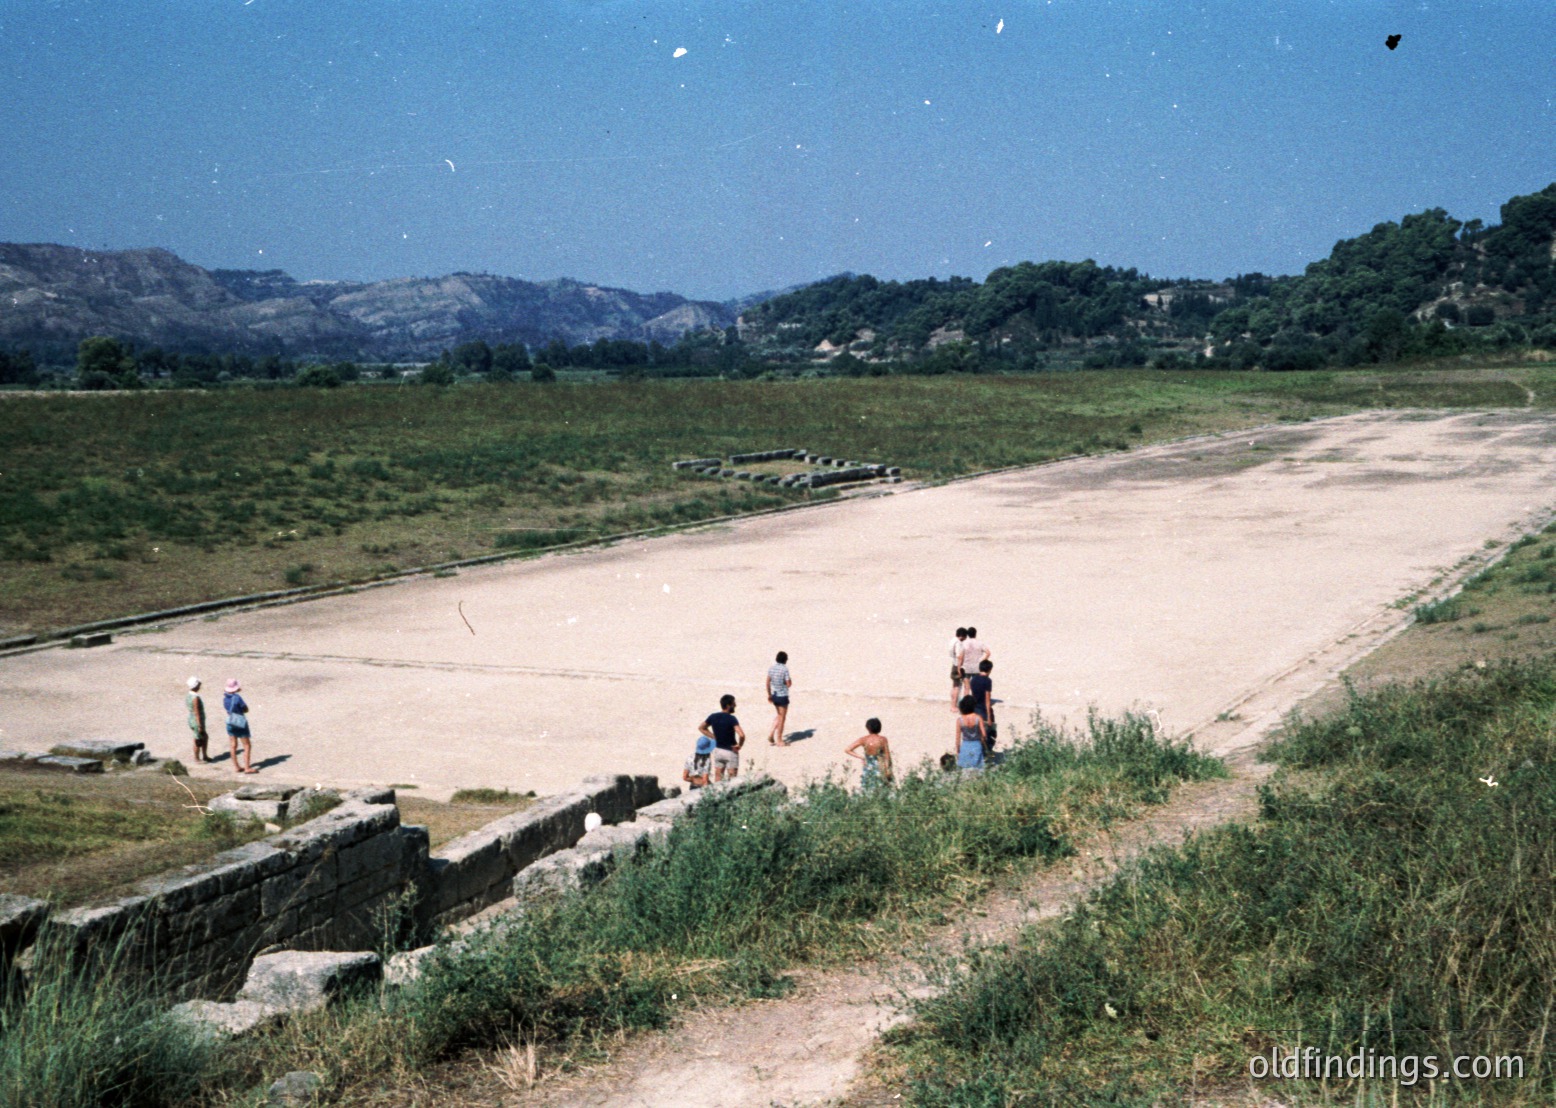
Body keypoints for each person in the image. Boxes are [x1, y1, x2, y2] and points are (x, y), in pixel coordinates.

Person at [698, 694, 746, 782]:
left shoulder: (713, 716)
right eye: (733, 704)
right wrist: (740, 745)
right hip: (731, 751)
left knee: (718, 778)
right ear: (728, 705)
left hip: (718, 750)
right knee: (733, 780)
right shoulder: (732, 719)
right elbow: (742, 735)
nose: (735, 705)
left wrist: (714, 736)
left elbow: (701, 728)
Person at [844, 717, 894, 789]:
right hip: (880, 765)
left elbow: (847, 749)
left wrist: (861, 757)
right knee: (882, 788)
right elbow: (887, 756)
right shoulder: (882, 739)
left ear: (868, 728)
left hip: (868, 765)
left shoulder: (864, 739)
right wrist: (888, 770)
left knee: (868, 787)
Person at [223, 678, 257, 774]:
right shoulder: (237, 698)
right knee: (246, 745)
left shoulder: (225, 698)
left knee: (233, 745)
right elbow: (245, 709)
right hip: (240, 722)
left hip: (230, 721)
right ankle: (247, 767)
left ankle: (237, 766)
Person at [953, 694, 988, 771]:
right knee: (978, 769)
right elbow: (984, 734)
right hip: (976, 744)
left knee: (964, 769)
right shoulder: (978, 718)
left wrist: (958, 749)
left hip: (965, 745)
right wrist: (982, 740)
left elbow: (957, 738)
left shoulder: (960, 720)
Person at [766, 650, 793, 746]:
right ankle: (779, 740)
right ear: (785, 660)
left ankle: (771, 734)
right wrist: (788, 681)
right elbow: (788, 684)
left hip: (775, 695)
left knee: (778, 715)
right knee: (782, 717)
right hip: (782, 696)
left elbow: (767, 682)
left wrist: (769, 695)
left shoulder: (771, 668)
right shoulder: (785, 669)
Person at [968, 659, 996, 748]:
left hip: (974, 708)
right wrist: (989, 717)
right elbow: (987, 700)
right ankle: (986, 750)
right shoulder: (987, 681)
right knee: (988, 732)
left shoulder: (973, 679)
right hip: (983, 710)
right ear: (989, 669)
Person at [960, 627, 991, 698]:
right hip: (977, 667)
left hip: (966, 667)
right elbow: (988, 653)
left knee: (966, 687)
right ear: (975, 634)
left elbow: (961, 656)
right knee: (976, 686)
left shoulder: (964, 643)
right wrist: (982, 661)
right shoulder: (980, 643)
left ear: (968, 634)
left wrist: (960, 666)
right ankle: (976, 702)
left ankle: (966, 703)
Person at [186, 677, 209, 763]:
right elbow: (197, 712)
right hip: (196, 720)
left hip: (191, 718)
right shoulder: (195, 697)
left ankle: (204, 755)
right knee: (198, 739)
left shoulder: (189, 695)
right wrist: (199, 725)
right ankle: (197, 758)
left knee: (204, 737)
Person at [948, 627, 968, 708]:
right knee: (957, 687)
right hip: (957, 665)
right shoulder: (958, 643)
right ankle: (954, 706)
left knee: (954, 686)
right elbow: (959, 656)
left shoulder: (952, 640)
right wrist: (960, 668)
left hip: (954, 664)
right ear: (962, 636)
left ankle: (953, 703)